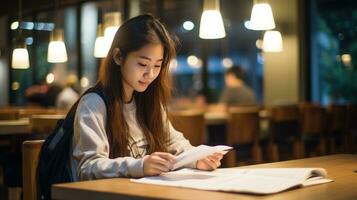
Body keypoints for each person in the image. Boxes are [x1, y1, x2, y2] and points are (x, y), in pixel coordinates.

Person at [70, 14, 223, 181]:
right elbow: (87, 168)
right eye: (143, 64)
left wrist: (196, 159)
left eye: (157, 65)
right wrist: (140, 166)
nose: (150, 74)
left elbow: (174, 143)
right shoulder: (94, 104)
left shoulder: (149, 101)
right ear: (118, 57)